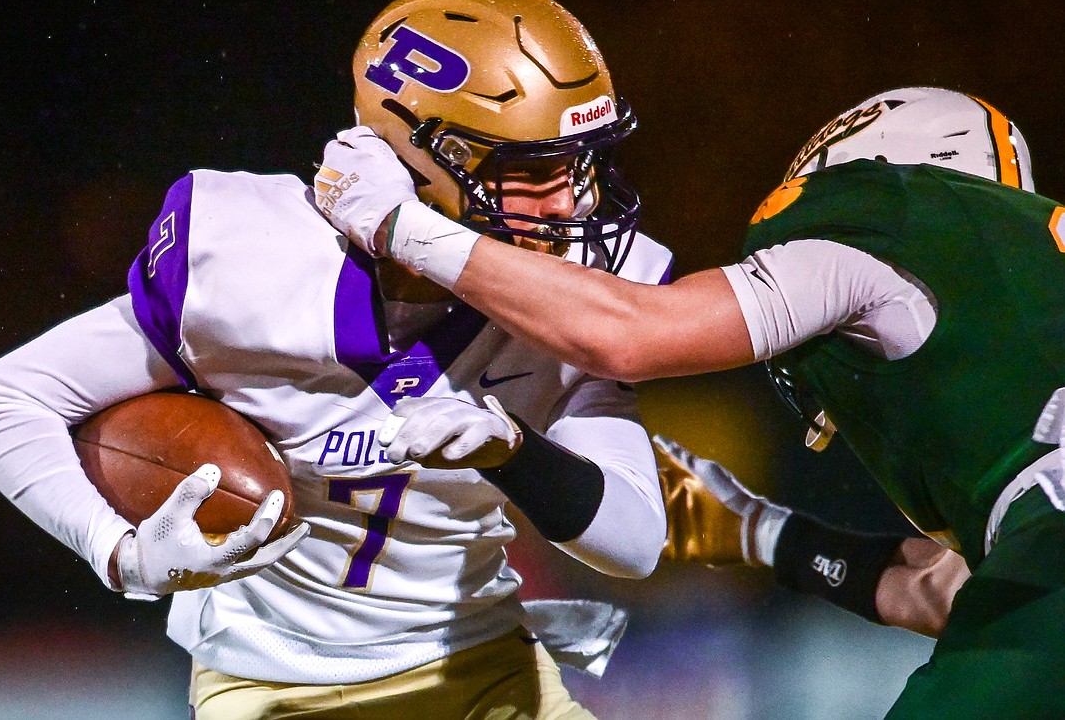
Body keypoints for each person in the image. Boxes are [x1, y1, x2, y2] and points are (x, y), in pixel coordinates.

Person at [0, 0, 673, 720]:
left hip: (485, 669)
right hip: (270, 686)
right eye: (530, 172)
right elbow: (0, 401)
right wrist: (119, 553)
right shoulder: (250, 261)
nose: (569, 204)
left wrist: (515, 453)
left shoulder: (589, 292)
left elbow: (634, 541)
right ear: (419, 162)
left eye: (579, 165)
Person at [316, 85, 1065, 716]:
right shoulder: (1021, 309)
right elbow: (961, 596)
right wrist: (752, 530)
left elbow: (630, 332)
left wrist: (403, 228)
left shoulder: (892, 217)